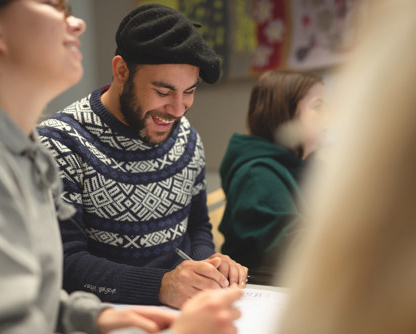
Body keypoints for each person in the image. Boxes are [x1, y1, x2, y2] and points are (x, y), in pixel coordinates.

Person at [0, 0, 243, 333]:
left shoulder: (15, 146)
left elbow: (30, 294)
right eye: (54, 6)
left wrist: (90, 318)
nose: (78, 24)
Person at [38, 3, 247, 309]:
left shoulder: (186, 137)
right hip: (106, 316)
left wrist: (207, 266)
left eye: (189, 91)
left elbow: (197, 226)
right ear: (121, 71)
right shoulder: (61, 143)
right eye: (163, 92)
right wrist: (160, 286)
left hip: (182, 310)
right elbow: (64, 264)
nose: (177, 110)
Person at [275, 0, 416, 333]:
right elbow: (289, 243)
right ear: (286, 114)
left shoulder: (316, 166)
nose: (328, 118)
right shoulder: (264, 172)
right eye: (319, 107)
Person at [218, 70, 324, 285]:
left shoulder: (310, 168)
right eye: (317, 106)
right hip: (265, 291)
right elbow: (298, 250)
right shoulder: (257, 175)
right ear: (285, 114)